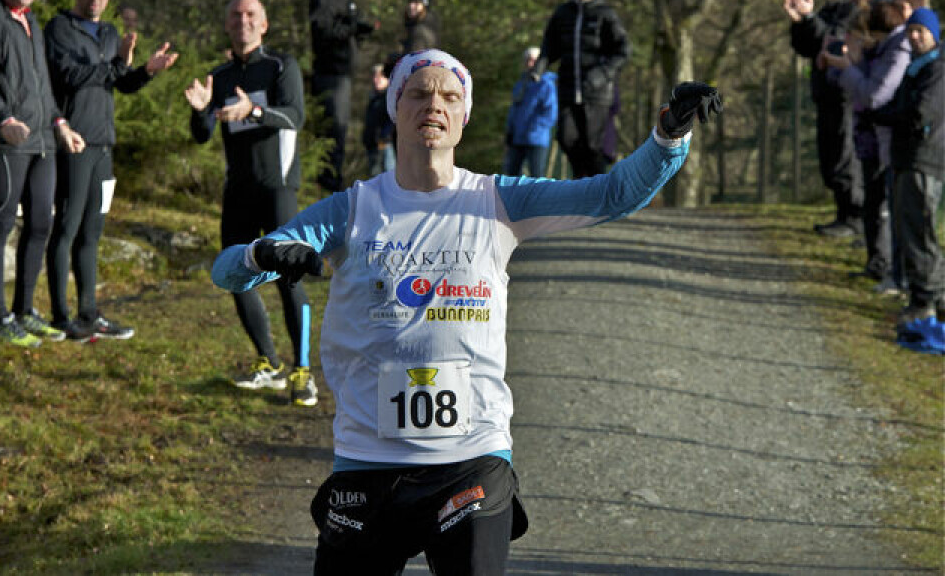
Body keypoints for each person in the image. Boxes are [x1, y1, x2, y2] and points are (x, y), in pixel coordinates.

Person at [211, 47, 722, 574]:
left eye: (450, 96)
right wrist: (259, 255)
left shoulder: (498, 200)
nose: (434, 104)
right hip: (367, 465)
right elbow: (225, 272)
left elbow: (613, 193)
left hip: (471, 463)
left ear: (464, 115)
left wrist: (669, 134)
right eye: (419, 93)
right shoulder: (351, 209)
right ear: (395, 107)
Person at [185, 0, 317, 406]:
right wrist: (199, 111)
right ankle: (268, 363)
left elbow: (295, 116)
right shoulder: (219, 75)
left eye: (250, 15)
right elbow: (202, 134)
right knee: (235, 273)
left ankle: (302, 370)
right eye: (235, 15)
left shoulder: (281, 66)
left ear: (264, 25)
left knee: (286, 276)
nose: (242, 21)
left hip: (277, 187)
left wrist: (254, 112)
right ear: (227, 25)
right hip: (238, 189)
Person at [44, 0, 178, 342]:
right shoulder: (59, 30)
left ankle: (89, 314)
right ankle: (60, 316)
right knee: (67, 228)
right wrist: (116, 64)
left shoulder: (108, 32)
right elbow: (72, 76)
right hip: (74, 142)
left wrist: (146, 72)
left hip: (104, 146)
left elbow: (117, 82)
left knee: (92, 231)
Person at [0, 0, 85, 347]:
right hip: (8, 142)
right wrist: (2, 119)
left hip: (44, 141)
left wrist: (60, 122)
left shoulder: (33, 21)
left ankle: (25, 310)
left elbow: (42, 85)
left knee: (41, 224)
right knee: (0, 224)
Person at [818, 0, 909, 283]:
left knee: (885, 206)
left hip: (885, 139)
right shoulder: (875, 52)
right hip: (869, 138)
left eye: (857, 35)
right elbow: (845, 80)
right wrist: (838, 63)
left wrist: (848, 66)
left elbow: (872, 94)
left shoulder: (893, 51)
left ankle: (890, 267)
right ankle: (877, 262)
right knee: (873, 202)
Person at [870, 8, 944, 342]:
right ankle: (931, 297)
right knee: (910, 230)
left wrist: (888, 116)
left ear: (934, 34)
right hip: (906, 160)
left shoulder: (937, 70)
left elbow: (918, 113)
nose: (914, 37)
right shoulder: (917, 69)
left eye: (921, 31)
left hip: (924, 161)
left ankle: (926, 301)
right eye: (910, 31)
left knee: (920, 233)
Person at [783, 0, 862, 237]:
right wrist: (800, 22)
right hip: (825, 94)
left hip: (844, 95)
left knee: (844, 157)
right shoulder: (829, 11)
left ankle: (853, 217)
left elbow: (834, 42)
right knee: (829, 157)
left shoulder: (851, 10)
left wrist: (810, 19)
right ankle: (844, 214)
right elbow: (808, 47)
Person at [535, 0, 632, 178]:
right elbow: (550, 46)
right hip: (569, 89)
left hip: (597, 93)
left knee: (593, 146)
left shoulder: (605, 14)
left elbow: (623, 50)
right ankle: (581, 190)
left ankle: (597, 199)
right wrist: (540, 66)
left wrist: (602, 74)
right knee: (567, 139)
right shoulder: (562, 13)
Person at [302, 0, 377, 193]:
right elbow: (323, 31)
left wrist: (360, 28)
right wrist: (352, 29)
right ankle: (328, 179)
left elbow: (342, 27)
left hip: (342, 73)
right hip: (330, 73)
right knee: (335, 127)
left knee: (340, 128)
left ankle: (332, 177)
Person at [503, 46, 557, 178]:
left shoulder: (546, 84)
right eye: (527, 60)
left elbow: (551, 113)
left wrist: (534, 128)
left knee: (537, 176)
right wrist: (510, 130)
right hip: (517, 138)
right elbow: (514, 110)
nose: (529, 63)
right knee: (512, 175)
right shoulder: (521, 84)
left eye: (533, 60)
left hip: (536, 139)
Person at [362, 64, 394, 177]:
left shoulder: (390, 98)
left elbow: (392, 122)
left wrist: (384, 136)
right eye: (375, 76)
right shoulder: (374, 98)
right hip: (373, 147)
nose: (376, 79)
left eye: (380, 76)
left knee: (389, 178)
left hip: (386, 146)